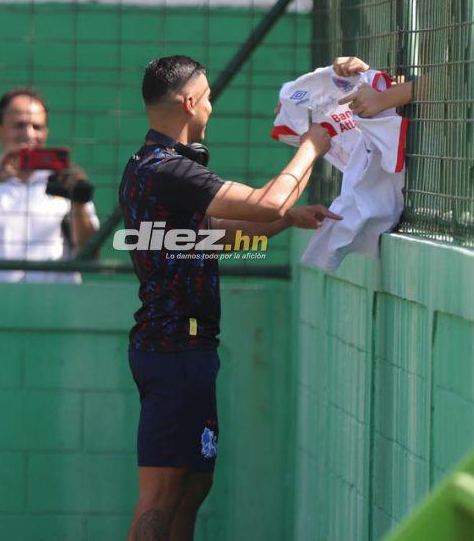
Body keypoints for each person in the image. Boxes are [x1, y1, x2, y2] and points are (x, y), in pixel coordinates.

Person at [120, 55, 338, 540]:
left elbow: (212, 234)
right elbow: (266, 200)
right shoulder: (166, 170)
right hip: (173, 349)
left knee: (190, 492)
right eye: (210, 97)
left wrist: (286, 219)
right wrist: (311, 146)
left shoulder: (152, 169)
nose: (212, 107)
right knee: (159, 501)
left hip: (186, 350)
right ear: (190, 102)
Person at [0, 88, 100, 283]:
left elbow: (90, 255)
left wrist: (78, 198)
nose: (29, 134)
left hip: (54, 304)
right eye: (19, 125)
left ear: (46, 133)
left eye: (37, 127)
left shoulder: (65, 183)